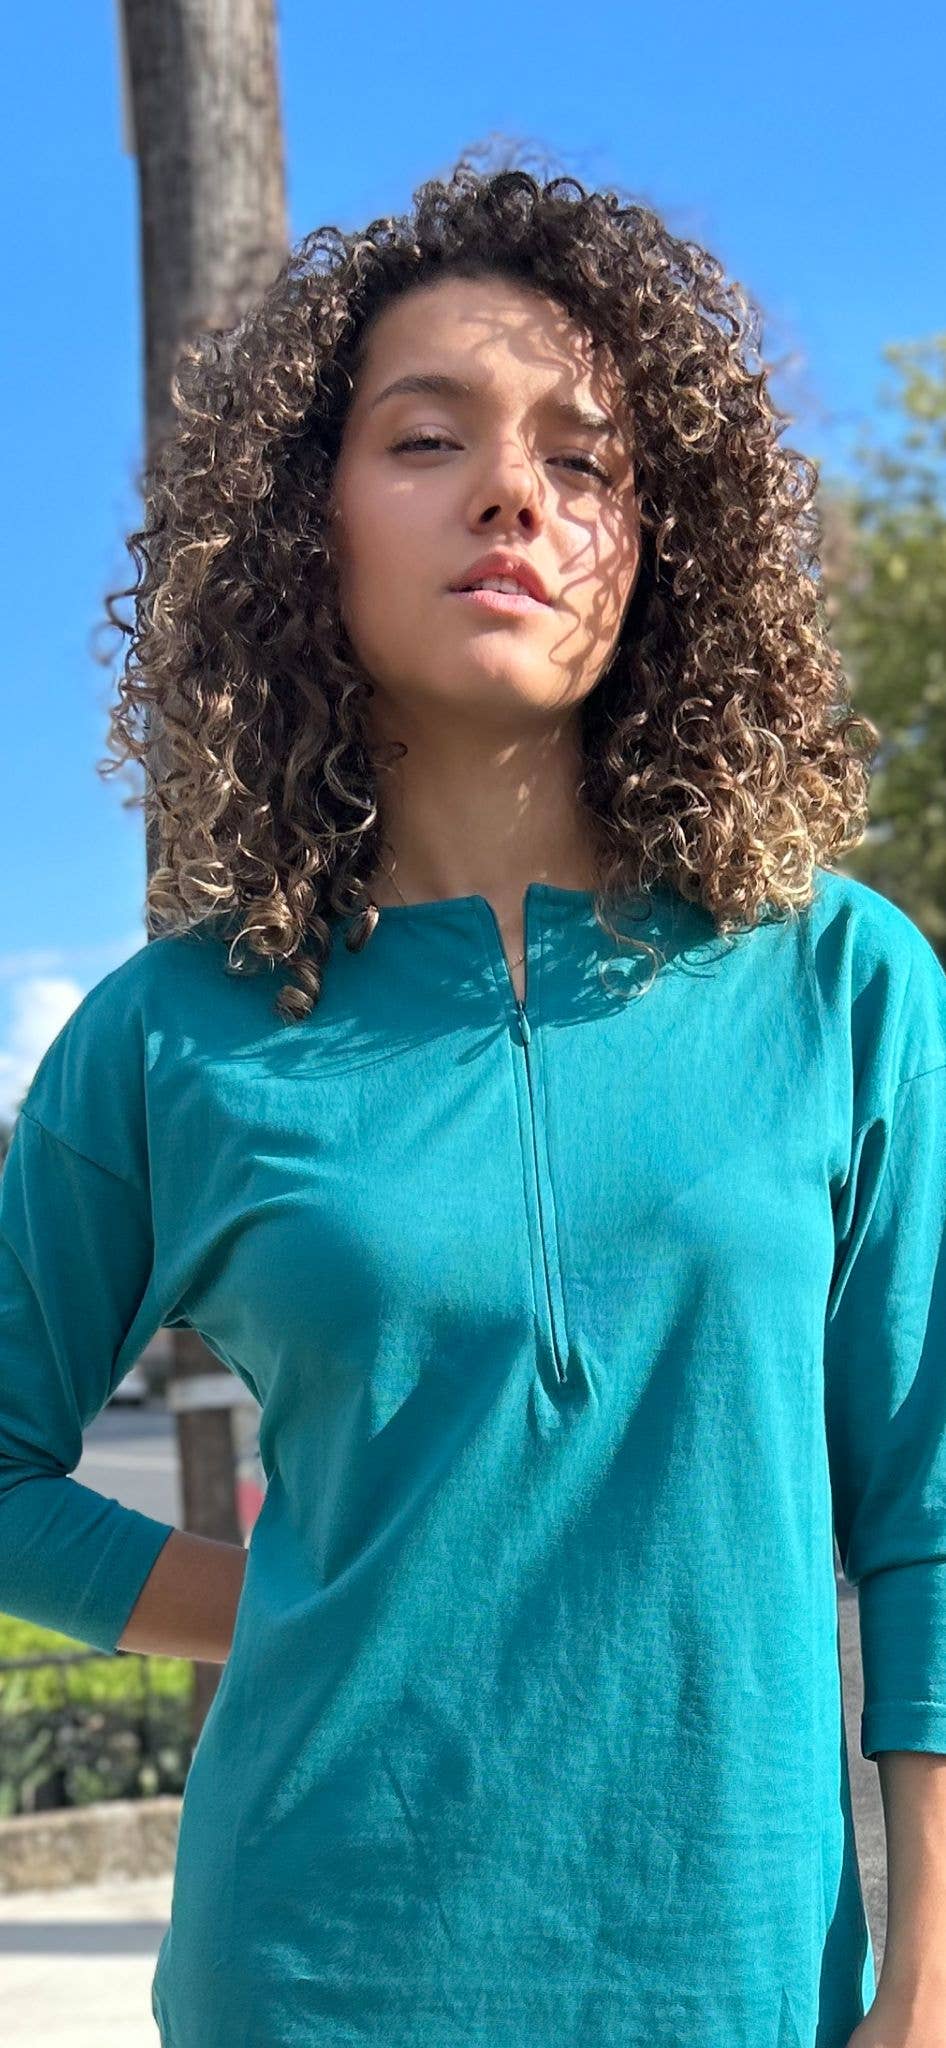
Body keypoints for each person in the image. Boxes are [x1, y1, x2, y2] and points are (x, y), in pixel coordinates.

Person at [1, 157, 944, 2048]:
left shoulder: (844, 985)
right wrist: (287, 1600)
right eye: (427, 439)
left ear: (657, 546)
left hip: (745, 1991)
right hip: (302, 1980)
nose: (513, 493)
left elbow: (927, 1508)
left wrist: (924, 1987)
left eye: (583, 460)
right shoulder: (172, 1033)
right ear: (309, 519)